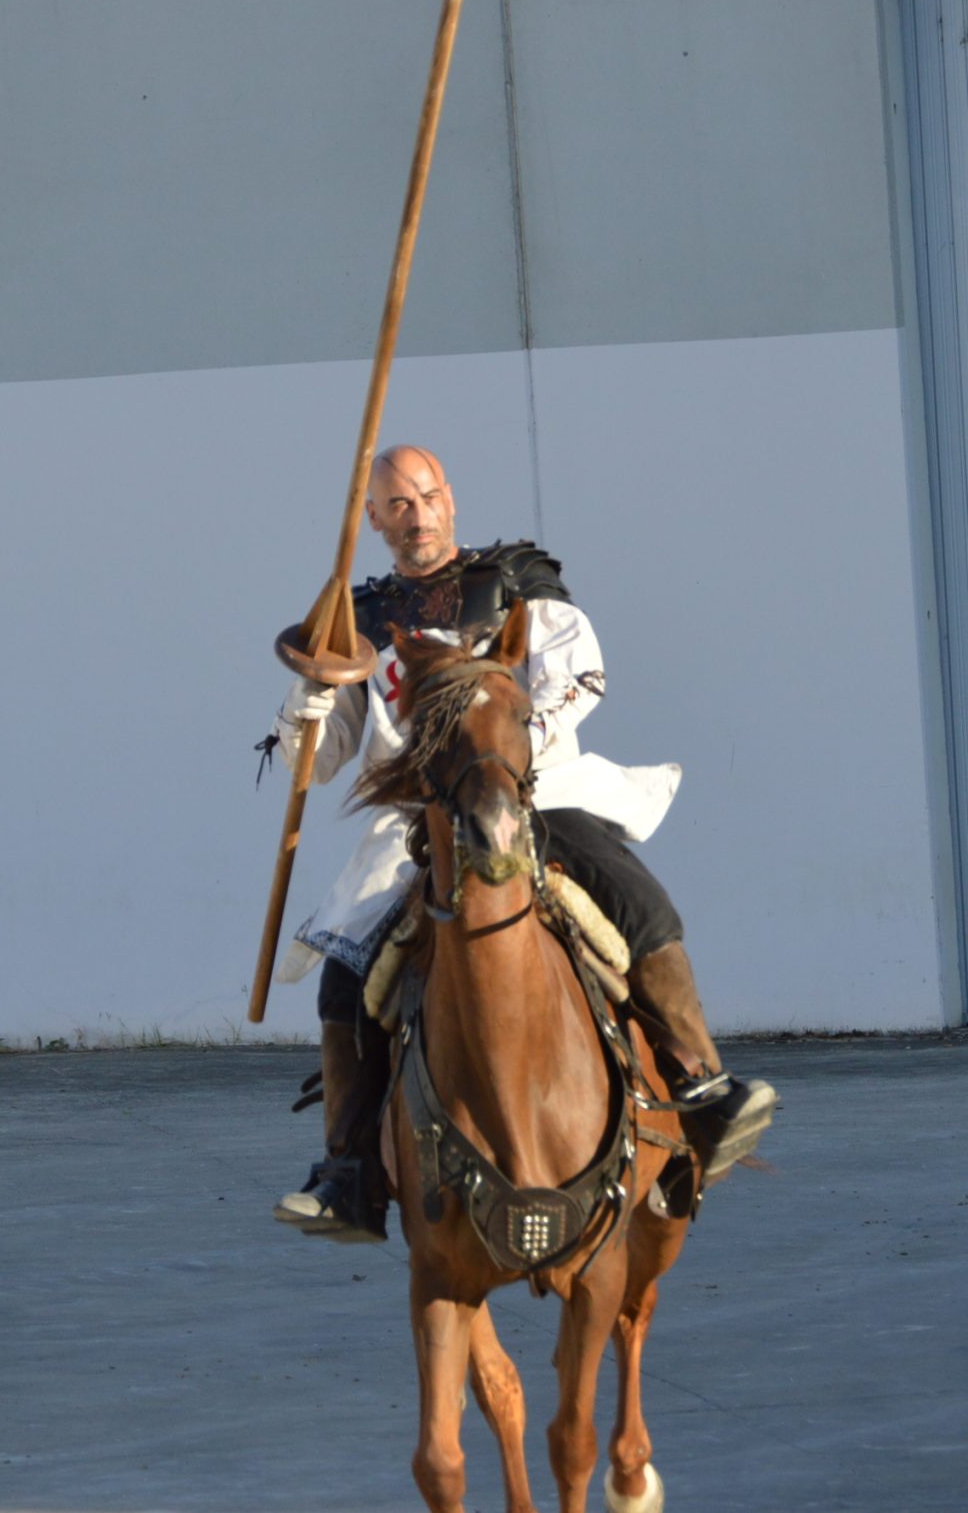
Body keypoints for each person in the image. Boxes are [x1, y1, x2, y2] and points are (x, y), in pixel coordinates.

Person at [263, 445, 777, 1241]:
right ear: (373, 519)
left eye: (427, 497)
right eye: (397, 505)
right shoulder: (361, 624)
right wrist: (310, 699)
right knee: (345, 977)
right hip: (418, 815)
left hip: (530, 789)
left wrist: (499, 756)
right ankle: (350, 1172)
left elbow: (580, 674)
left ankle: (702, 1089)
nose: (416, 515)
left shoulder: (511, 584)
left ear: (451, 500)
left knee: (633, 899)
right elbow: (323, 760)